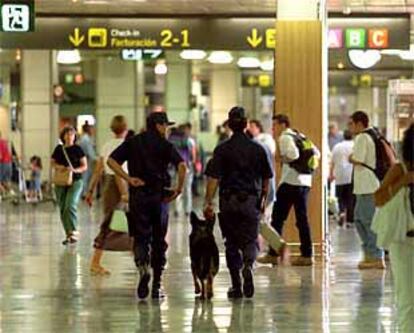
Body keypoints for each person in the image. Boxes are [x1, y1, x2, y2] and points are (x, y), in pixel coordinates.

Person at [108, 112, 187, 299]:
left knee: (141, 237)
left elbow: (111, 161)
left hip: (138, 197)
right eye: (165, 126)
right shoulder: (165, 145)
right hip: (160, 199)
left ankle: (143, 268)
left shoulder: (133, 142)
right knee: (159, 241)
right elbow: (183, 166)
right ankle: (157, 286)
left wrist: (128, 178)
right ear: (158, 125)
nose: (167, 130)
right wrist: (178, 189)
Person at [204, 106, 274, 299]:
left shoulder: (222, 149)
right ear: (246, 124)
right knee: (250, 240)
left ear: (229, 124)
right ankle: (249, 266)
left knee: (231, 243)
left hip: (228, 201)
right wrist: (263, 199)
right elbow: (267, 176)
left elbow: (214, 179)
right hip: (250, 200)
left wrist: (208, 202)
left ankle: (236, 286)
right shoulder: (258, 148)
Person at [258, 114, 320, 266]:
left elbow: (293, 155)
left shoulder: (285, 137)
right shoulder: (300, 135)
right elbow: (316, 153)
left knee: (277, 219)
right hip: (305, 182)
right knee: (302, 220)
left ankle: (273, 253)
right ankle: (307, 255)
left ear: (283, 124)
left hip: (289, 183)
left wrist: (281, 158)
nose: (273, 129)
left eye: (275, 125)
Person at [372, 124, 414, 332]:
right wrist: (403, 182)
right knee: (407, 299)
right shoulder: (401, 169)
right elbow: (378, 199)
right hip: (404, 242)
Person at [85, 115, 130, 275]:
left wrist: (90, 191)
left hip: (108, 187)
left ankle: (96, 262)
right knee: (131, 223)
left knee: (110, 224)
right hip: (123, 185)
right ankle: (95, 263)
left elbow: (98, 171)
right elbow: (122, 172)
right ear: (125, 129)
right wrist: (125, 192)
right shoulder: (127, 145)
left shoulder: (106, 145)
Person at [349, 111, 385, 269]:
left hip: (367, 186)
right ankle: (370, 253)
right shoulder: (371, 135)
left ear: (359, 123)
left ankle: (376, 255)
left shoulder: (362, 137)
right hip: (366, 185)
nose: (349, 127)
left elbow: (359, 159)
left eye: (351, 123)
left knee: (368, 222)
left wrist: (350, 158)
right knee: (359, 219)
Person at [51, 126, 87, 245]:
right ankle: (69, 234)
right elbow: (53, 163)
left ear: (75, 136)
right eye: (67, 134)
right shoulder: (59, 149)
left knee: (70, 204)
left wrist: (74, 170)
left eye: (71, 134)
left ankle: (74, 231)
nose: (69, 136)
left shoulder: (78, 149)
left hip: (76, 180)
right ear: (63, 136)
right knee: (62, 207)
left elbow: (84, 166)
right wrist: (60, 167)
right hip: (61, 181)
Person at [248, 119, 277, 220]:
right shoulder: (262, 141)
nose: (250, 129)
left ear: (258, 128)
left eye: (252, 126)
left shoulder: (261, 141)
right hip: (265, 182)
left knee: (264, 216)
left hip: (263, 183)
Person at [329, 130, 355, 227]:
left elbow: (332, 162)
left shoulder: (337, 147)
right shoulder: (354, 146)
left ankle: (341, 213)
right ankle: (349, 221)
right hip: (351, 176)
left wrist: (331, 174)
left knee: (340, 198)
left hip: (339, 176)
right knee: (350, 199)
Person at [169, 124, 194, 217]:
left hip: (175, 167)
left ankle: (177, 210)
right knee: (187, 189)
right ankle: (188, 210)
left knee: (177, 188)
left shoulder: (170, 140)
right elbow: (191, 153)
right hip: (186, 166)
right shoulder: (187, 140)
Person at [78, 123, 97, 198]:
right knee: (85, 177)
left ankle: (84, 193)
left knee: (85, 177)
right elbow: (90, 152)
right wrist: (96, 159)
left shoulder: (84, 138)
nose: (93, 131)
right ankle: (84, 193)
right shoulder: (86, 139)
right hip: (86, 160)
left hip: (85, 160)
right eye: (92, 129)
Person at [0, 131, 12, 196]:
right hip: (9, 163)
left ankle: (3, 193)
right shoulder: (4, 142)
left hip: (3, 163)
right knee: (7, 179)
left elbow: (0, 156)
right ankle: (10, 192)